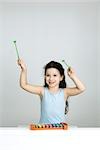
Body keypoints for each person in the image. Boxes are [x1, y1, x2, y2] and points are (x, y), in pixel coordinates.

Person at [17, 59, 85, 124]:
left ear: (61, 77)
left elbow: (81, 89)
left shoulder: (65, 92)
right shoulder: (42, 91)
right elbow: (24, 85)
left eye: (55, 75)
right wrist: (24, 70)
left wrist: (73, 76)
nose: (51, 78)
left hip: (60, 130)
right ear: (45, 77)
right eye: (48, 75)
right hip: (44, 129)